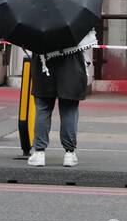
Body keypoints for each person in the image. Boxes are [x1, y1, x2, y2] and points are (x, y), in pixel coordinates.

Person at [27, 30, 94, 167]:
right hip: (71, 64)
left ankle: (39, 152)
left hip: (44, 63)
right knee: (69, 110)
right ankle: (69, 153)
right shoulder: (75, 15)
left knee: (43, 109)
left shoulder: (37, 15)